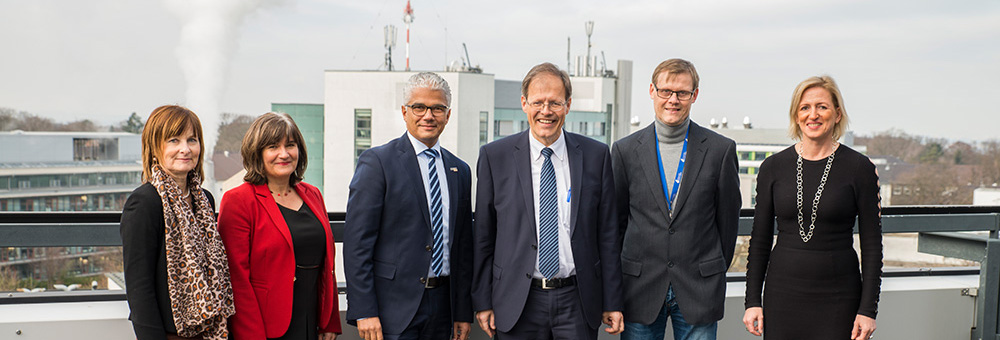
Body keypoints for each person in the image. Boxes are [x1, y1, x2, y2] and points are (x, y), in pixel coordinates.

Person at [472, 62, 624, 340]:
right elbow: (484, 235)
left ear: (567, 105)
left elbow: (608, 235)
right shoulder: (495, 157)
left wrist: (612, 300)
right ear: (524, 104)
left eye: (554, 102)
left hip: (577, 301)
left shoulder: (596, 155)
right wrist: (482, 301)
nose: (546, 111)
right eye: (538, 102)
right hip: (517, 300)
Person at [742, 75, 882, 340]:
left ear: (837, 114)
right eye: (805, 107)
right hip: (782, 295)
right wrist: (752, 301)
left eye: (822, 107)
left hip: (839, 297)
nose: (813, 115)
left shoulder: (860, 168)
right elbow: (759, 240)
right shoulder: (773, 168)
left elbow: (873, 245)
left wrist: (868, 309)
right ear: (796, 116)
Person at [611, 58, 741, 340]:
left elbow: (728, 224)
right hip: (639, 288)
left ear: (694, 95)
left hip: (699, 287)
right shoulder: (624, 151)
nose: (673, 100)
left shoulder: (720, 151)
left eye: (682, 92)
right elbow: (617, 222)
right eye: (666, 91)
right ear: (651, 91)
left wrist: (710, 268)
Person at [344, 71, 474, 340]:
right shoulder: (377, 162)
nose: (428, 115)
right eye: (419, 107)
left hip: (444, 308)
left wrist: (462, 311)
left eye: (437, 108)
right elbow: (357, 244)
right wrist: (364, 310)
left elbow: (462, 247)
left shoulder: (459, 170)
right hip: (392, 310)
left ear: (448, 115)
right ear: (405, 111)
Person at [218, 112, 342, 340]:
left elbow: (327, 265)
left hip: (312, 322)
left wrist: (329, 320)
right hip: (265, 328)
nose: (284, 154)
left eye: (291, 145)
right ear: (258, 153)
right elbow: (236, 280)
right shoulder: (238, 201)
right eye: (273, 146)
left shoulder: (313, 194)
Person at [120, 105, 234, 340]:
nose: (185, 149)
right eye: (174, 140)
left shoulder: (204, 199)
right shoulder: (144, 203)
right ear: (155, 148)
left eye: (192, 140)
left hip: (210, 332)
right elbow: (140, 290)